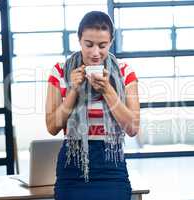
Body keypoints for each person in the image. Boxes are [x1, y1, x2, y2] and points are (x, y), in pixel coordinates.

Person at [45, 11, 140, 200]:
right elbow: (52, 126)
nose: (95, 53)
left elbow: (132, 128)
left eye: (102, 45)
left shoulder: (124, 72)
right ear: (79, 40)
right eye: (89, 45)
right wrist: (73, 90)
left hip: (111, 165)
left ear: (111, 42)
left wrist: (107, 90)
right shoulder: (60, 71)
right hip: (73, 165)